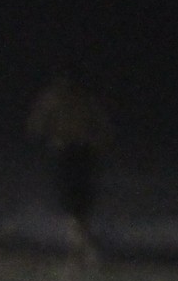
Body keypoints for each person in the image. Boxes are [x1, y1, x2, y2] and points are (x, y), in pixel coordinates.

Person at [27, 67, 114, 264]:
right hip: (68, 150)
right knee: (74, 199)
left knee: (78, 198)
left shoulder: (76, 99)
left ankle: (81, 243)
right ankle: (80, 243)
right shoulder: (58, 99)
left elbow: (36, 126)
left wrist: (98, 140)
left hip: (79, 151)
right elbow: (36, 125)